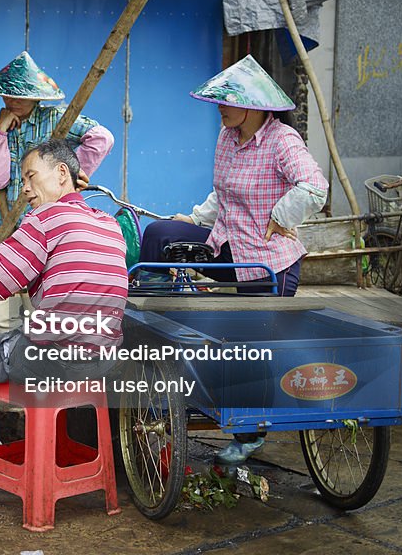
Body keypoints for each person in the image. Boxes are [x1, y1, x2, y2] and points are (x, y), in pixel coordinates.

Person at [137, 55, 328, 464]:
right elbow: (223, 195)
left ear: (256, 105)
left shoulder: (282, 141)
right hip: (226, 245)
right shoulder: (228, 137)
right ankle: (153, 330)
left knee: (250, 347)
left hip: (267, 262)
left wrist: (280, 217)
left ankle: (249, 433)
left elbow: (315, 188)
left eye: (228, 100)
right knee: (158, 233)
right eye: (219, 100)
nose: (220, 107)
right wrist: (193, 219)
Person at [0, 139, 128, 493]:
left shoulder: (45, 217)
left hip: (51, 360)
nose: (25, 188)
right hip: (103, 360)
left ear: (62, 173)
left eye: (31, 176)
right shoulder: (109, 224)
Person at [0, 51, 114, 333]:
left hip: (53, 224)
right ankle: (14, 359)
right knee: (3, 315)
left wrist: (74, 176)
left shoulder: (58, 117)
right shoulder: (6, 127)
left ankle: (39, 363)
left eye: (19, 96)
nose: (11, 101)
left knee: (44, 305)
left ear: (35, 96)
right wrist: (0, 131)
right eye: (7, 95)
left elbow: (102, 138)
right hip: (12, 224)